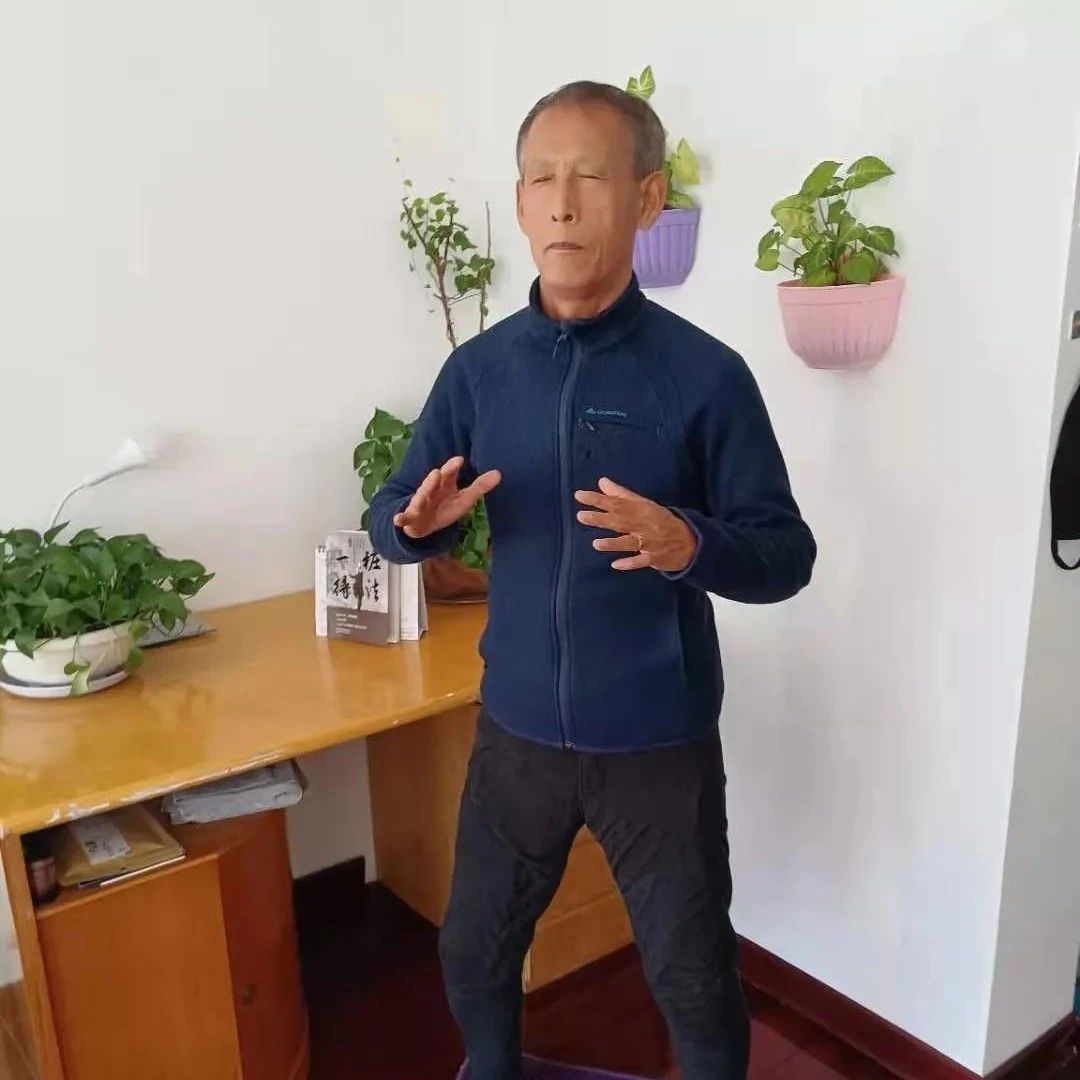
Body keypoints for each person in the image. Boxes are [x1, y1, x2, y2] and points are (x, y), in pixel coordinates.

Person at [369, 79, 816, 1080]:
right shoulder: (479, 373)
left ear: (648, 199)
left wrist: (689, 543)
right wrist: (411, 527)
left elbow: (786, 553)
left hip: (657, 741)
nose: (563, 204)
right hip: (517, 732)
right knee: (473, 950)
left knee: (692, 977)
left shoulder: (705, 376)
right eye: (542, 179)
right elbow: (394, 511)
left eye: (591, 178)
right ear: (521, 204)